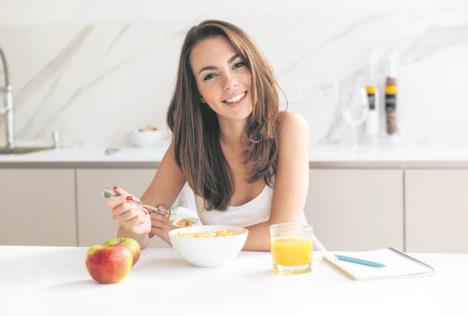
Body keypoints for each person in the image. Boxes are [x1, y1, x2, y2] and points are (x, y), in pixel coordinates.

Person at [106, 20, 310, 251]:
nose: (230, 83)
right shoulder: (189, 146)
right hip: (222, 276)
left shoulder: (288, 127)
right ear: (198, 92)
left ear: (255, 67)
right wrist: (134, 225)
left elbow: (283, 231)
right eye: (210, 76)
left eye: (238, 65)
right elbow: (133, 239)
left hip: (290, 268)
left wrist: (192, 239)